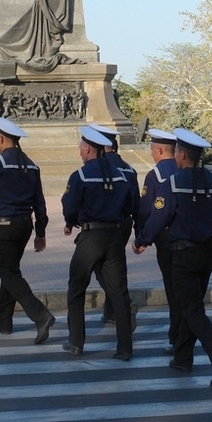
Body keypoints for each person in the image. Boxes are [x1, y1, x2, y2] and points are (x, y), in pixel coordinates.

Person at [133, 127, 212, 388]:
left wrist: (142, 239)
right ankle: (183, 357)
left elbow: (159, 218)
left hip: (183, 254)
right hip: (207, 255)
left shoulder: (172, 184)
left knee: (191, 309)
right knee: (190, 305)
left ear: (181, 155)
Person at [0, 118, 55, 343]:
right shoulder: (32, 165)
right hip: (25, 226)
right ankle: (3, 320)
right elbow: (40, 203)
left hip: (4, 227)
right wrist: (40, 232)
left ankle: (40, 315)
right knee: (10, 270)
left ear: (2, 139)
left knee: (6, 270)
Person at [61, 126, 139, 360]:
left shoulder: (81, 175)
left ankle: (76, 342)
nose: (80, 153)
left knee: (76, 288)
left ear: (87, 149)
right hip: (114, 236)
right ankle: (125, 348)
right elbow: (130, 206)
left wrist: (71, 221)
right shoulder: (121, 174)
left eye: (81, 149)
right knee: (119, 292)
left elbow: (70, 206)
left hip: (90, 237)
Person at [86, 124, 139, 333]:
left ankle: (123, 303)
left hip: (104, 222)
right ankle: (111, 312)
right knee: (116, 265)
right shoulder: (128, 168)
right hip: (125, 221)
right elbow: (135, 199)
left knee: (101, 266)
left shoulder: (100, 167)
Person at [136, 128, 181, 355]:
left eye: (152, 150)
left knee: (174, 291)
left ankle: (177, 339)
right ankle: (184, 336)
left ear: (160, 150)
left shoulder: (156, 175)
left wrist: (142, 238)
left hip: (167, 240)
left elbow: (147, 211)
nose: (152, 154)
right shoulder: (188, 170)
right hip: (193, 240)